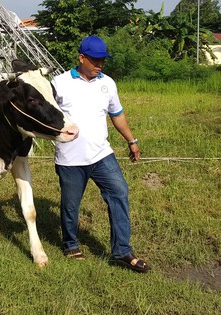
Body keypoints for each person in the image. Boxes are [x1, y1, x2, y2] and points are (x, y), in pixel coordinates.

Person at [51, 35, 150, 273]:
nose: (100, 66)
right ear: (81, 58)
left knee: (119, 192)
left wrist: (132, 141)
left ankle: (122, 251)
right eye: (95, 60)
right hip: (70, 159)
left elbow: (117, 115)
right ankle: (71, 244)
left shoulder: (108, 83)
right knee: (71, 206)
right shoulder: (59, 83)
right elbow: (43, 115)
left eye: (103, 61)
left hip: (102, 155)